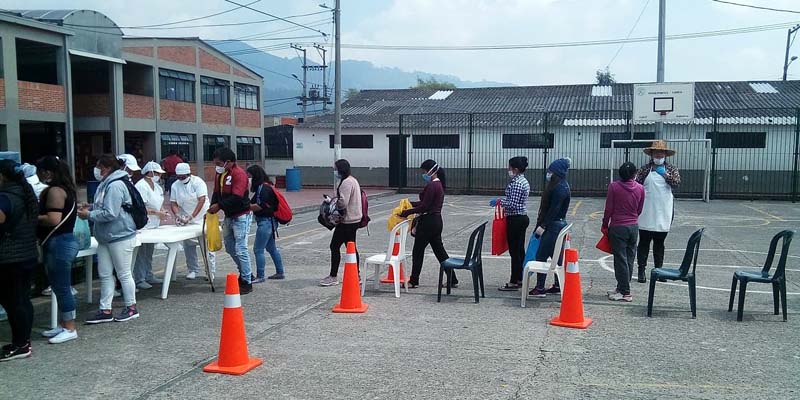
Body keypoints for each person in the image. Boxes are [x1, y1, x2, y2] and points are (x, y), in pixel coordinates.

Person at [78, 154, 139, 324]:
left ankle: (131, 307)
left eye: (98, 166)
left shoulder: (116, 185)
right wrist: (91, 207)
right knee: (105, 273)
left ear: (106, 168)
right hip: (106, 236)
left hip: (120, 235)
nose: (96, 170)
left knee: (123, 273)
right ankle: (105, 309)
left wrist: (89, 214)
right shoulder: (106, 184)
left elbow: (111, 213)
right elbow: (107, 206)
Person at [36, 156, 80, 343]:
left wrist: (32, 217)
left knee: (62, 287)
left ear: (47, 172)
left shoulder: (55, 191)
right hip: (62, 241)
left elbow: (53, 219)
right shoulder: (67, 189)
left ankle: (70, 327)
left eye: (39, 170)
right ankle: (64, 323)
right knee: (59, 286)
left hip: (59, 242)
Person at [0, 160, 39, 361]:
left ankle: (20, 344)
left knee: (13, 302)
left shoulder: (6, 196)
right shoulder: (25, 193)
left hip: (9, 258)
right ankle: (23, 342)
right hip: (27, 254)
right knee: (22, 300)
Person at [397, 159, 454, 289]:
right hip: (436, 221)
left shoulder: (432, 185)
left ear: (431, 171)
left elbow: (424, 207)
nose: (423, 174)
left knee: (418, 251)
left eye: (424, 172)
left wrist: (407, 212)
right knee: (440, 252)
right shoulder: (438, 185)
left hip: (428, 223)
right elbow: (426, 204)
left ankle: (414, 280)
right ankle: (452, 278)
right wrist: (410, 204)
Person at [635, 140, 681, 283]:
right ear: (651, 154)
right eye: (656, 152)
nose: (659, 154)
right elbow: (636, 185)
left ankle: (659, 271)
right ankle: (641, 271)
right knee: (643, 242)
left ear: (666, 154)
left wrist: (665, 175)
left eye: (661, 152)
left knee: (659, 243)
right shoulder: (644, 169)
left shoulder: (671, 169)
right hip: (646, 211)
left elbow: (677, 183)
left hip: (663, 211)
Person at [208, 148, 253, 294]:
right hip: (229, 215)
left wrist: (219, 206)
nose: (217, 166)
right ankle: (245, 271)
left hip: (241, 215)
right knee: (230, 247)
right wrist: (212, 207)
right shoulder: (220, 174)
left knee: (241, 249)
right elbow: (216, 192)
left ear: (229, 162)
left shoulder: (238, 174)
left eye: (219, 163)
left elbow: (237, 197)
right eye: (216, 163)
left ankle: (247, 280)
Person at [529, 158, 572, 298]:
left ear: (556, 172)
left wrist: (542, 226)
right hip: (558, 225)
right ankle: (557, 284)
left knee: (541, 255)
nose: (548, 174)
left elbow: (554, 209)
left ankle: (540, 287)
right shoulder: (563, 186)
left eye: (550, 171)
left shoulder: (559, 188)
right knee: (556, 256)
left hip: (553, 226)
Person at [603, 162, 645, 302]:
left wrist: (605, 224)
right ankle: (622, 286)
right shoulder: (640, 188)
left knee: (620, 259)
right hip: (633, 225)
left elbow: (609, 208)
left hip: (618, 226)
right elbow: (640, 209)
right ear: (634, 174)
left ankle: (625, 292)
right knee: (630, 257)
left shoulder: (614, 187)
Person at [320, 159, 363, 287]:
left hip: (347, 220)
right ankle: (356, 274)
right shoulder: (353, 180)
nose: (335, 171)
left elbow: (343, 202)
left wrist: (332, 202)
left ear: (340, 169)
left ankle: (333, 276)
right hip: (354, 219)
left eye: (336, 169)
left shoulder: (346, 182)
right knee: (351, 247)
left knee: (335, 246)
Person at [170, 162, 215, 280]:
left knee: (206, 245)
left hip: (202, 216)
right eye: (178, 177)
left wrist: (192, 216)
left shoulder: (198, 182)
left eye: (183, 177)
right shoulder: (175, 185)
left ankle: (210, 271)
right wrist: (178, 215)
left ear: (189, 174)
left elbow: (201, 200)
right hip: (186, 216)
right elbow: (173, 203)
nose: (181, 179)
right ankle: (193, 269)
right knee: (188, 245)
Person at [493, 156, 531, 291]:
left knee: (515, 251)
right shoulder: (523, 181)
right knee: (520, 250)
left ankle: (514, 280)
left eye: (509, 167)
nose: (508, 170)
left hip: (515, 218)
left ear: (515, 169)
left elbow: (513, 204)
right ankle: (520, 277)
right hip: (521, 218)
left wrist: (499, 202)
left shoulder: (516, 183)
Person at [247, 165, 286, 282]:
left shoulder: (263, 189)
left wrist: (245, 207)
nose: (248, 178)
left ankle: (260, 275)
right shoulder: (264, 187)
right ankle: (280, 272)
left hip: (265, 222)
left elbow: (260, 205)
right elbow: (253, 201)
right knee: (271, 248)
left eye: (249, 176)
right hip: (269, 221)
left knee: (258, 249)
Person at [133, 161, 167, 290]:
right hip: (144, 224)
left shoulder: (157, 187)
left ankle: (148, 274)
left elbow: (159, 202)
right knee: (141, 252)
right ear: (150, 173)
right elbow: (141, 207)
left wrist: (162, 211)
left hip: (154, 224)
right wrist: (157, 213)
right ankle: (139, 278)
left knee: (149, 252)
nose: (160, 176)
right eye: (158, 173)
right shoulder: (141, 186)